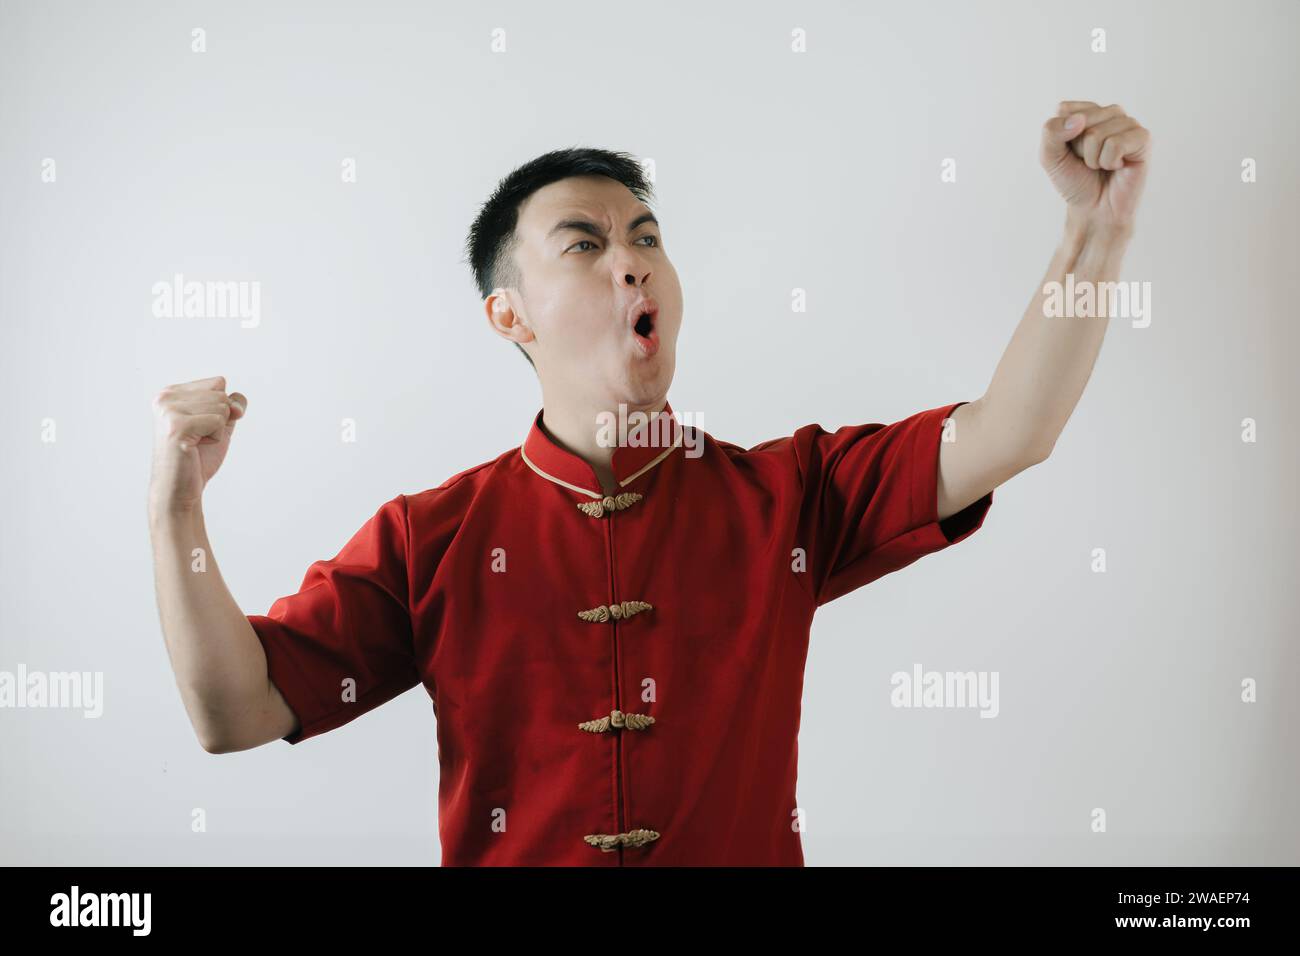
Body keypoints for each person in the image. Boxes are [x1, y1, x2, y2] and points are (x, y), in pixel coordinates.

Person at [149, 102, 1151, 865]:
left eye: (646, 236)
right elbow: (233, 711)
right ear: (510, 315)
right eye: (585, 243)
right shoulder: (432, 538)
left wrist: (1093, 234)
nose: (630, 262)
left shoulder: (784, 494)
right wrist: (175, 501)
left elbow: (1010, 430)